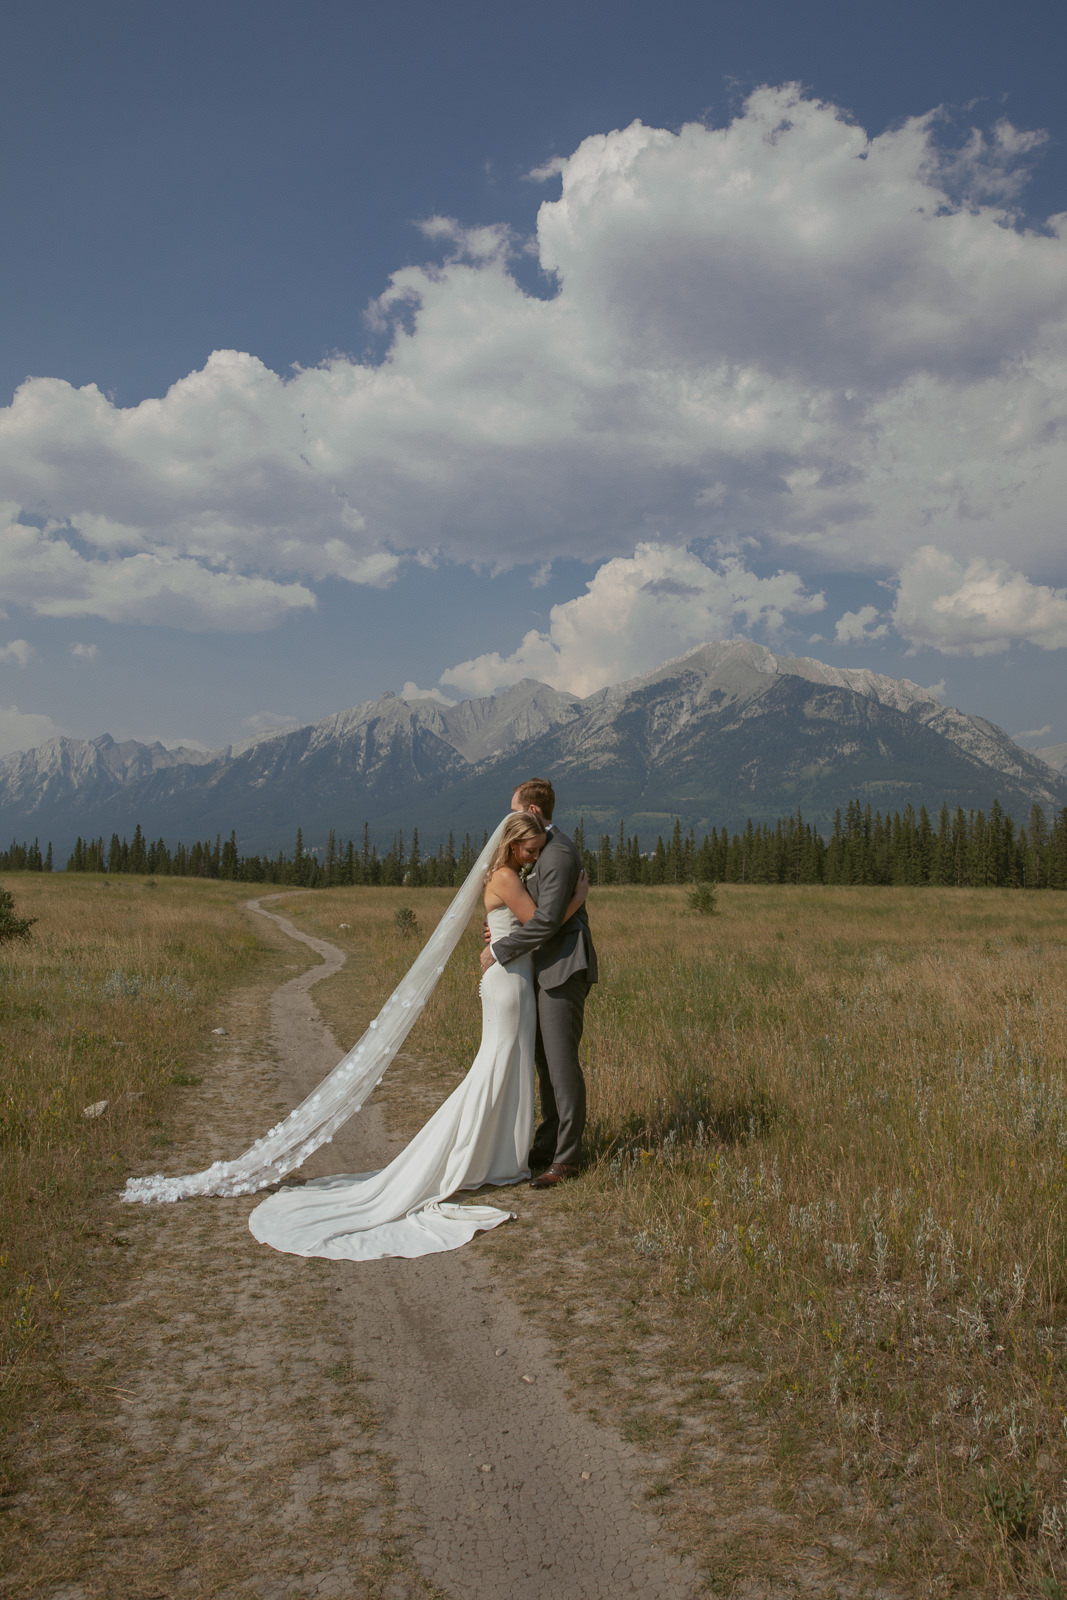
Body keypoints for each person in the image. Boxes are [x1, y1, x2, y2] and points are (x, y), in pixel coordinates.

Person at [244, 811, 588, 1260]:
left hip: (512, 976)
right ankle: (475, 1155)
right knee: (498, 1064)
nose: (535, 857)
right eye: (530, 850)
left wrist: (501, 932)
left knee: (507, 1065)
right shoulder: (505, 877)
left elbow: (523, 921)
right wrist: (577, 899)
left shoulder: (505, 874)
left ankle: (502, 1155)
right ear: (512, 846)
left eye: (539, 851)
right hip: (509, 982)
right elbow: (545, 923)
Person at [480, 779, 598, 1189]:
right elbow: (531, 911)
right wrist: (501, 928)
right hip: (543, 969)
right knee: (546, 1066)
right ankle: (546, 1147)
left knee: (562, 1068)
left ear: (530, 812)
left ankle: (567, 1160)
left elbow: (546, 922)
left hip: (563, 967)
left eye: (513, 810)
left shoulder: (559, 854)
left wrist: (500, 948)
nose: (508, 817)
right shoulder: (542, 852)